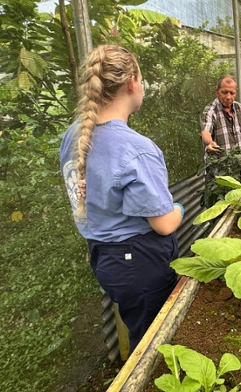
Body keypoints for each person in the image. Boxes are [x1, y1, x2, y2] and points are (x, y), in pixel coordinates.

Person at [59, 45, 183, 352]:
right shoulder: (135, 148)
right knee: (154, 344)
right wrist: (178, 208)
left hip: (105, 258)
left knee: (137, 324)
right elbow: (164, 224)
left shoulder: (73, 135)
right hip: (140, 261)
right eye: (141, 79)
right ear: (131, 83)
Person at [200, 75, 241, 160]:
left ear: (236, 92)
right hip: (220, 168)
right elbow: (206, 132)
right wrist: (209, 143)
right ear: (216, 91)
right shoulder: (210, 111)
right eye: (224, 92)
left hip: (239, 165)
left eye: (232, 93)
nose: (228, 97)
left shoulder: (240, 108)